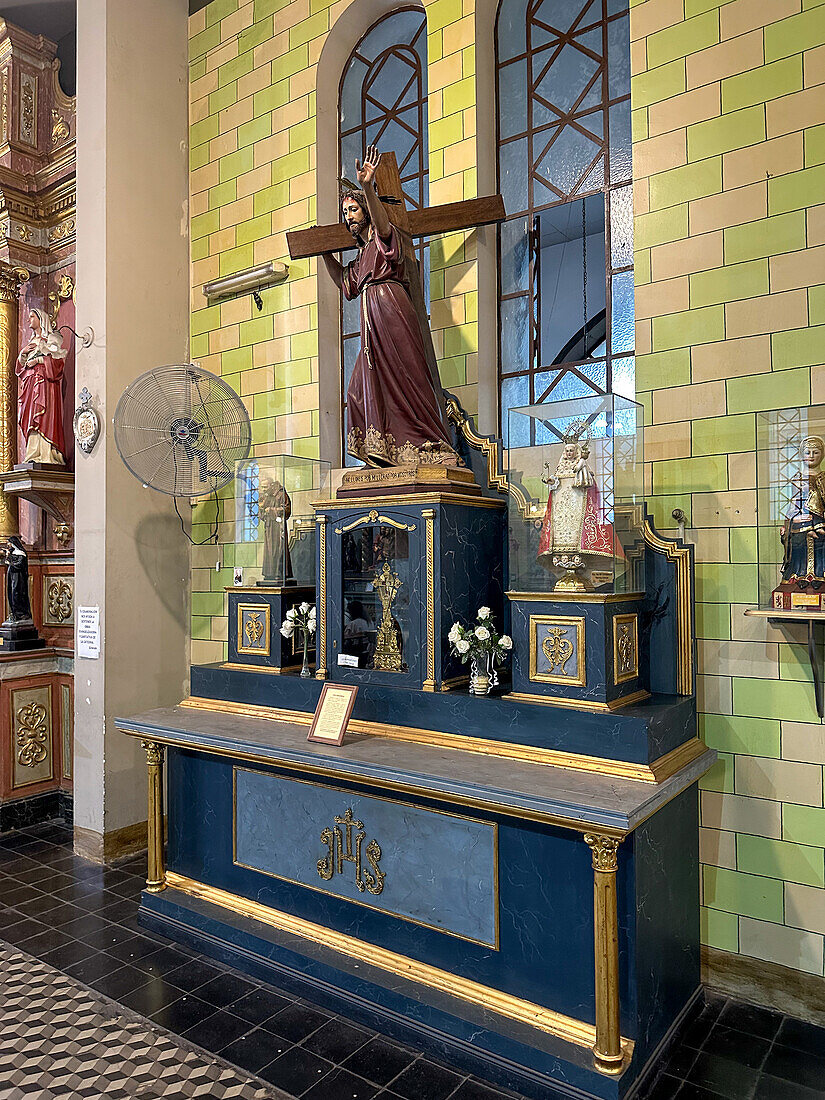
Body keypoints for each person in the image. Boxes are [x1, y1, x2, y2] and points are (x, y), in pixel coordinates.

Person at [321, 145, 456, 467]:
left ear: (367, 210)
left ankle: (425, 445)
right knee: (357, 390)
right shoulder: (360, 256)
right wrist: (323, 251)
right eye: (345, 213)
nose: (349, 217)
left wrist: (367, 187)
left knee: (405, 379)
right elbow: (345, 283)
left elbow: (382, 226)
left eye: (353, 210)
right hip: (370, 324)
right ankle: (383, 452)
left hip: (392, 311)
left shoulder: (384, 238)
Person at [536, 427, 616, 590]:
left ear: (576, 451)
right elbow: (556, 484)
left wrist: (582, 462)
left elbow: (587, 484)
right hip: (562, 513)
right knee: (561, 544)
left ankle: (580, 572)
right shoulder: (561, 468)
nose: (569, 453)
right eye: (567, 450)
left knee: (578, 542)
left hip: (578, 509)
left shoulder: (582, 466)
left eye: (572, 450)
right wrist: (551, 481)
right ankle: (567, 572)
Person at [16, 308, 66, 465]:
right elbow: (19, 370)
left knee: (43, 416)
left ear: (40, 319)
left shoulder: (49, 341)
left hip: (45, 385)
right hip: (30, 386)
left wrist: (38, 361)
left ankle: (46, 454)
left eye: (32, 317)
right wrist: (22, 354)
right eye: (29, 316)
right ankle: (32, 453)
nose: (29, 320)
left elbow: (58, 364)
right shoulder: (30, 344)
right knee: (30, 415)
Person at [779, 435, 825, 583]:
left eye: (816, 452)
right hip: (801, 522)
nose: (811, 456)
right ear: (801, 455)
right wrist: (792, 520)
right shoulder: (796, 479)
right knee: (797, 540)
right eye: (807, 452)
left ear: (822, 454)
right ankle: (799, 575)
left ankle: (820, 574)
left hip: (822, 519)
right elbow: (792, 505)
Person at [259, 478, 293, 585]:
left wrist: (272, 510)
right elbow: (261, 514)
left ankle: (279, 572)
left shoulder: (281, 494)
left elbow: (287, 509)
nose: (263, 489)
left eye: (265, 487)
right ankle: (269, 573)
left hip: (278, 527)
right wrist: (261, 509)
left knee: (278, 549)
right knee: (269, 550)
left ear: (271, 485)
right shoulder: (266, 496)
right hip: (269, 528)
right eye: (262, 487)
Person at [2, 536, 33, 623]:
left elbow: (18, 565)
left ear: (14, 543)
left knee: (17, 594)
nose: (8, 544)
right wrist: (8, 555)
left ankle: (21, 614)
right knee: (11, 593)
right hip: (12, 577)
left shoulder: (21, 553)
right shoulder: (13, 552)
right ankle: (14, 612)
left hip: (18, 578)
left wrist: (10, 561)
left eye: (9, 543)